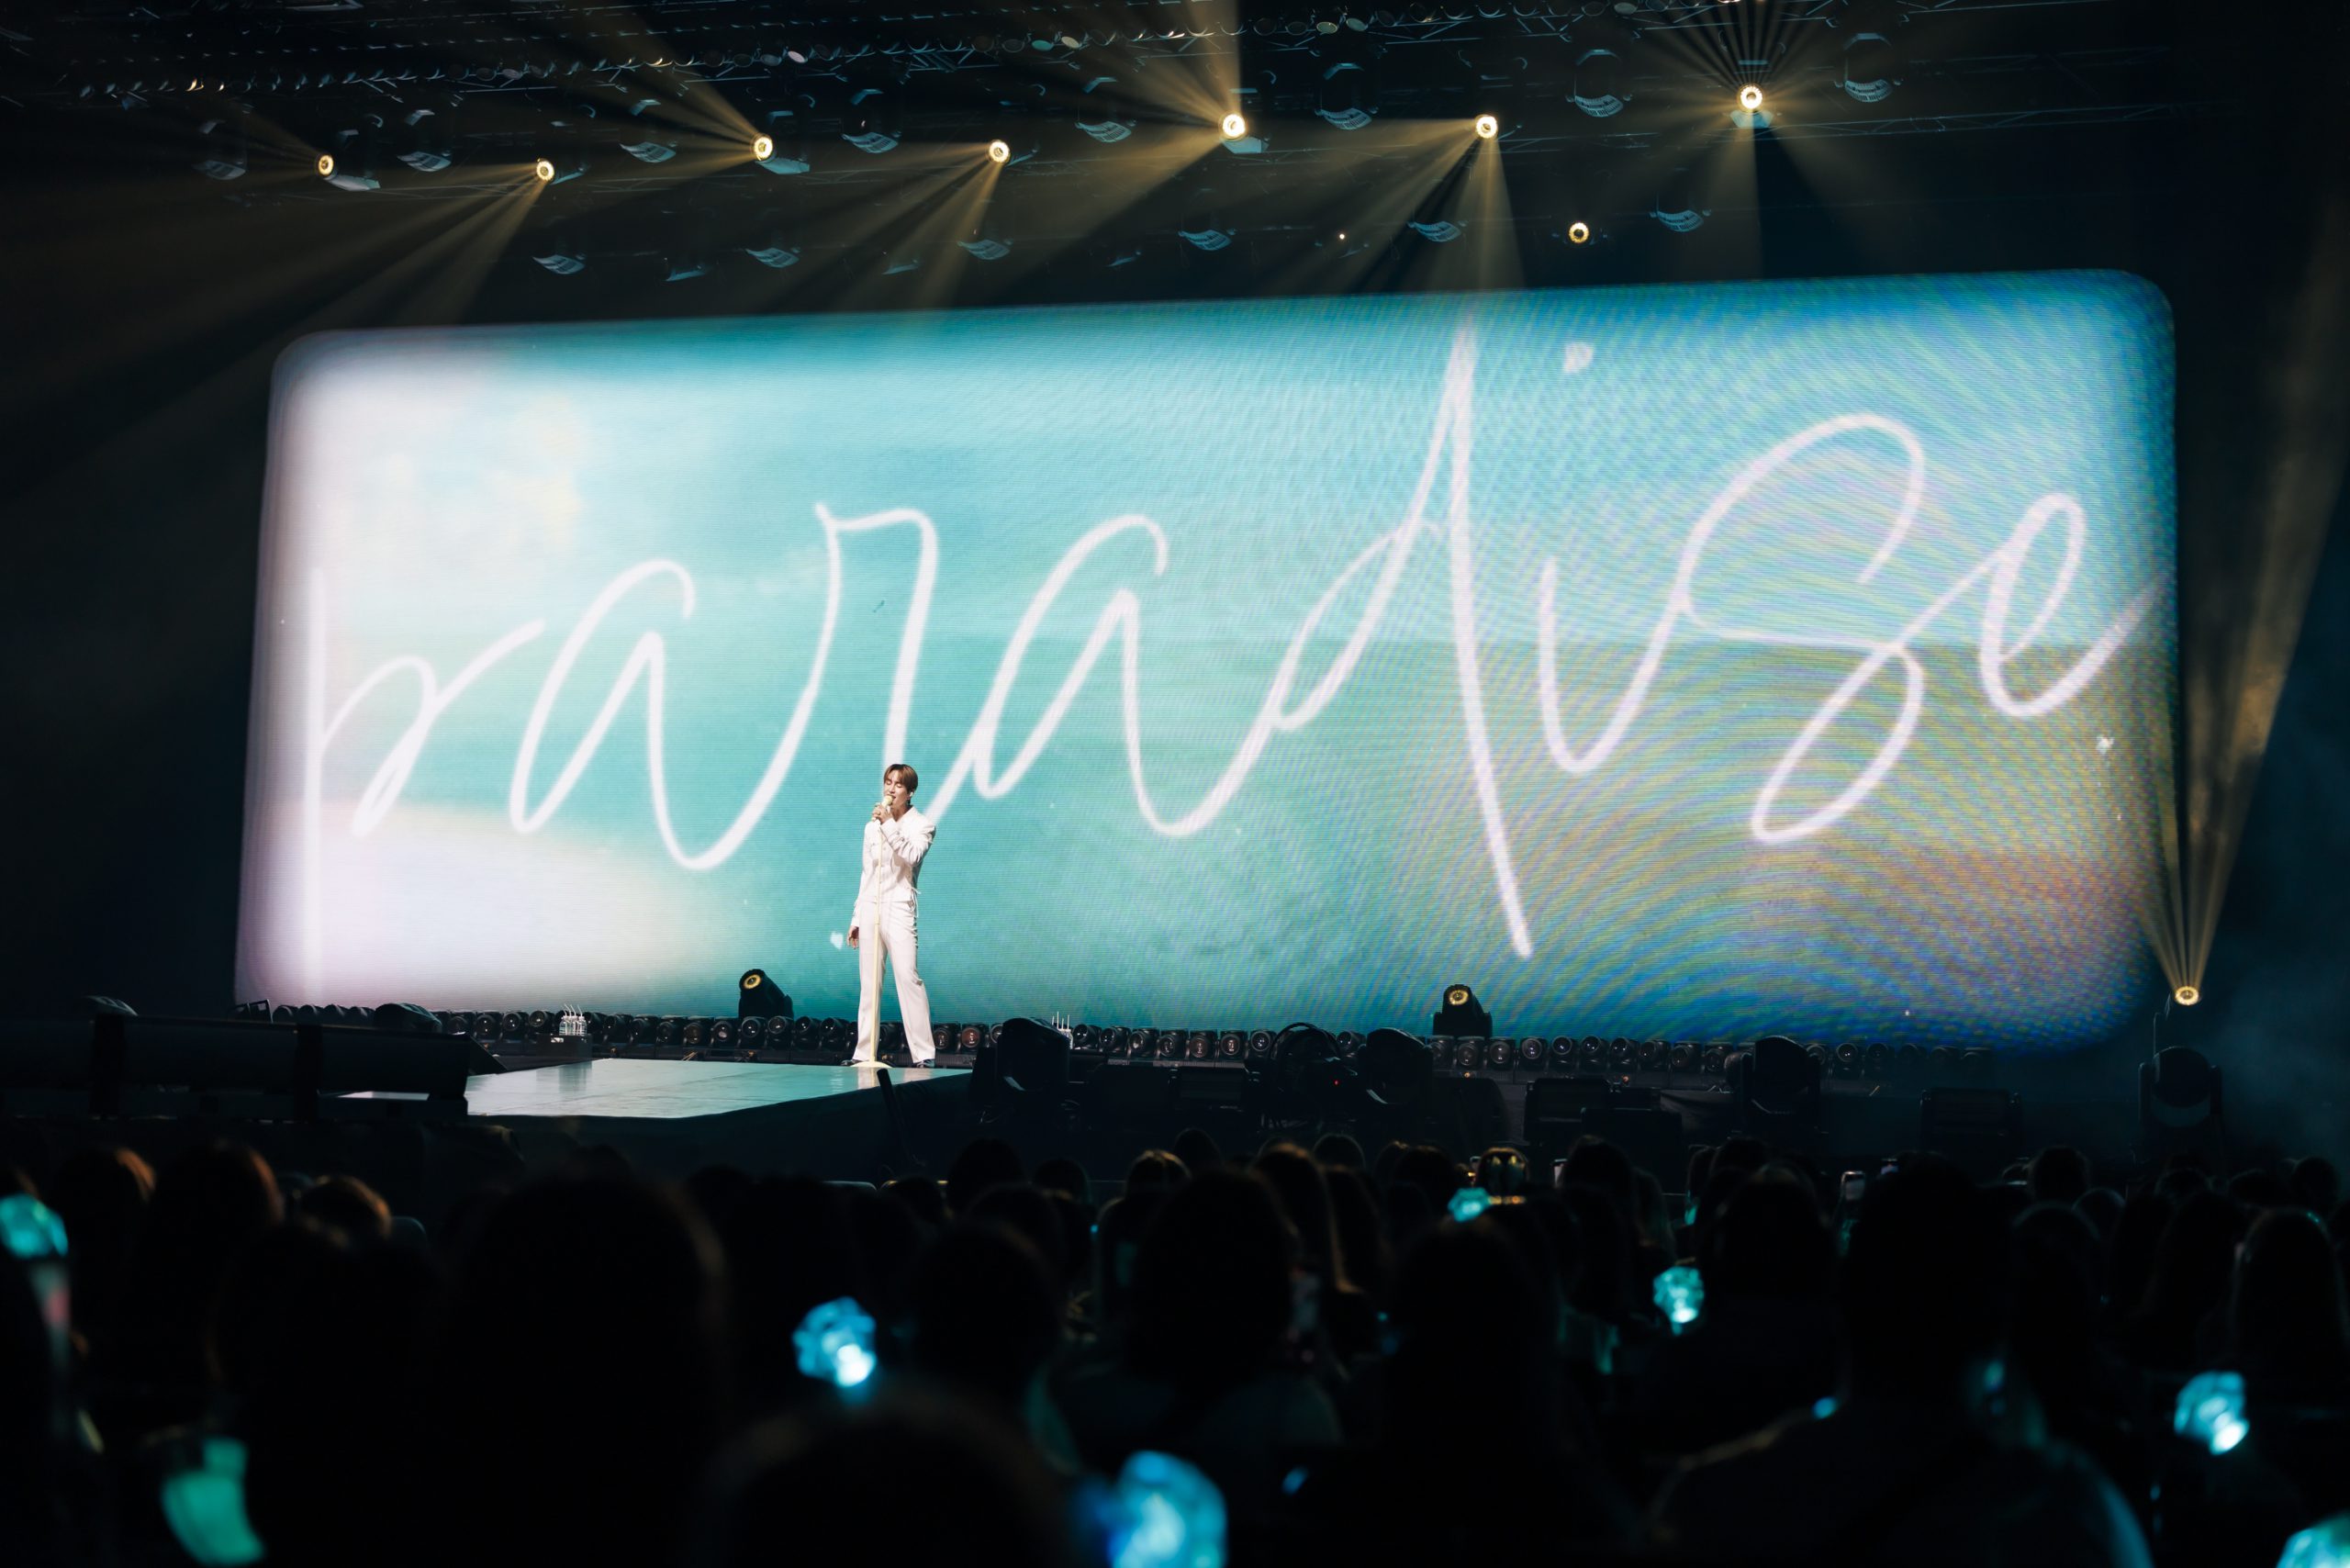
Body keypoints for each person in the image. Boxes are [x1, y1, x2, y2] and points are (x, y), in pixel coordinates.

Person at [848, 762, 936, 1066]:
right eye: (888, 782)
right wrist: (857, 917)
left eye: (899, 784)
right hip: (871, 905)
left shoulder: (923, 825)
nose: (891, 789)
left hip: (899, 907)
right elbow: (867, 873)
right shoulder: (871, 827)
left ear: (910, 792)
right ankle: (863, 1053)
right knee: (869, 982)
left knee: (908, 977)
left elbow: (911, 856)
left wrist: (888, 824)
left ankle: (924, 1054)